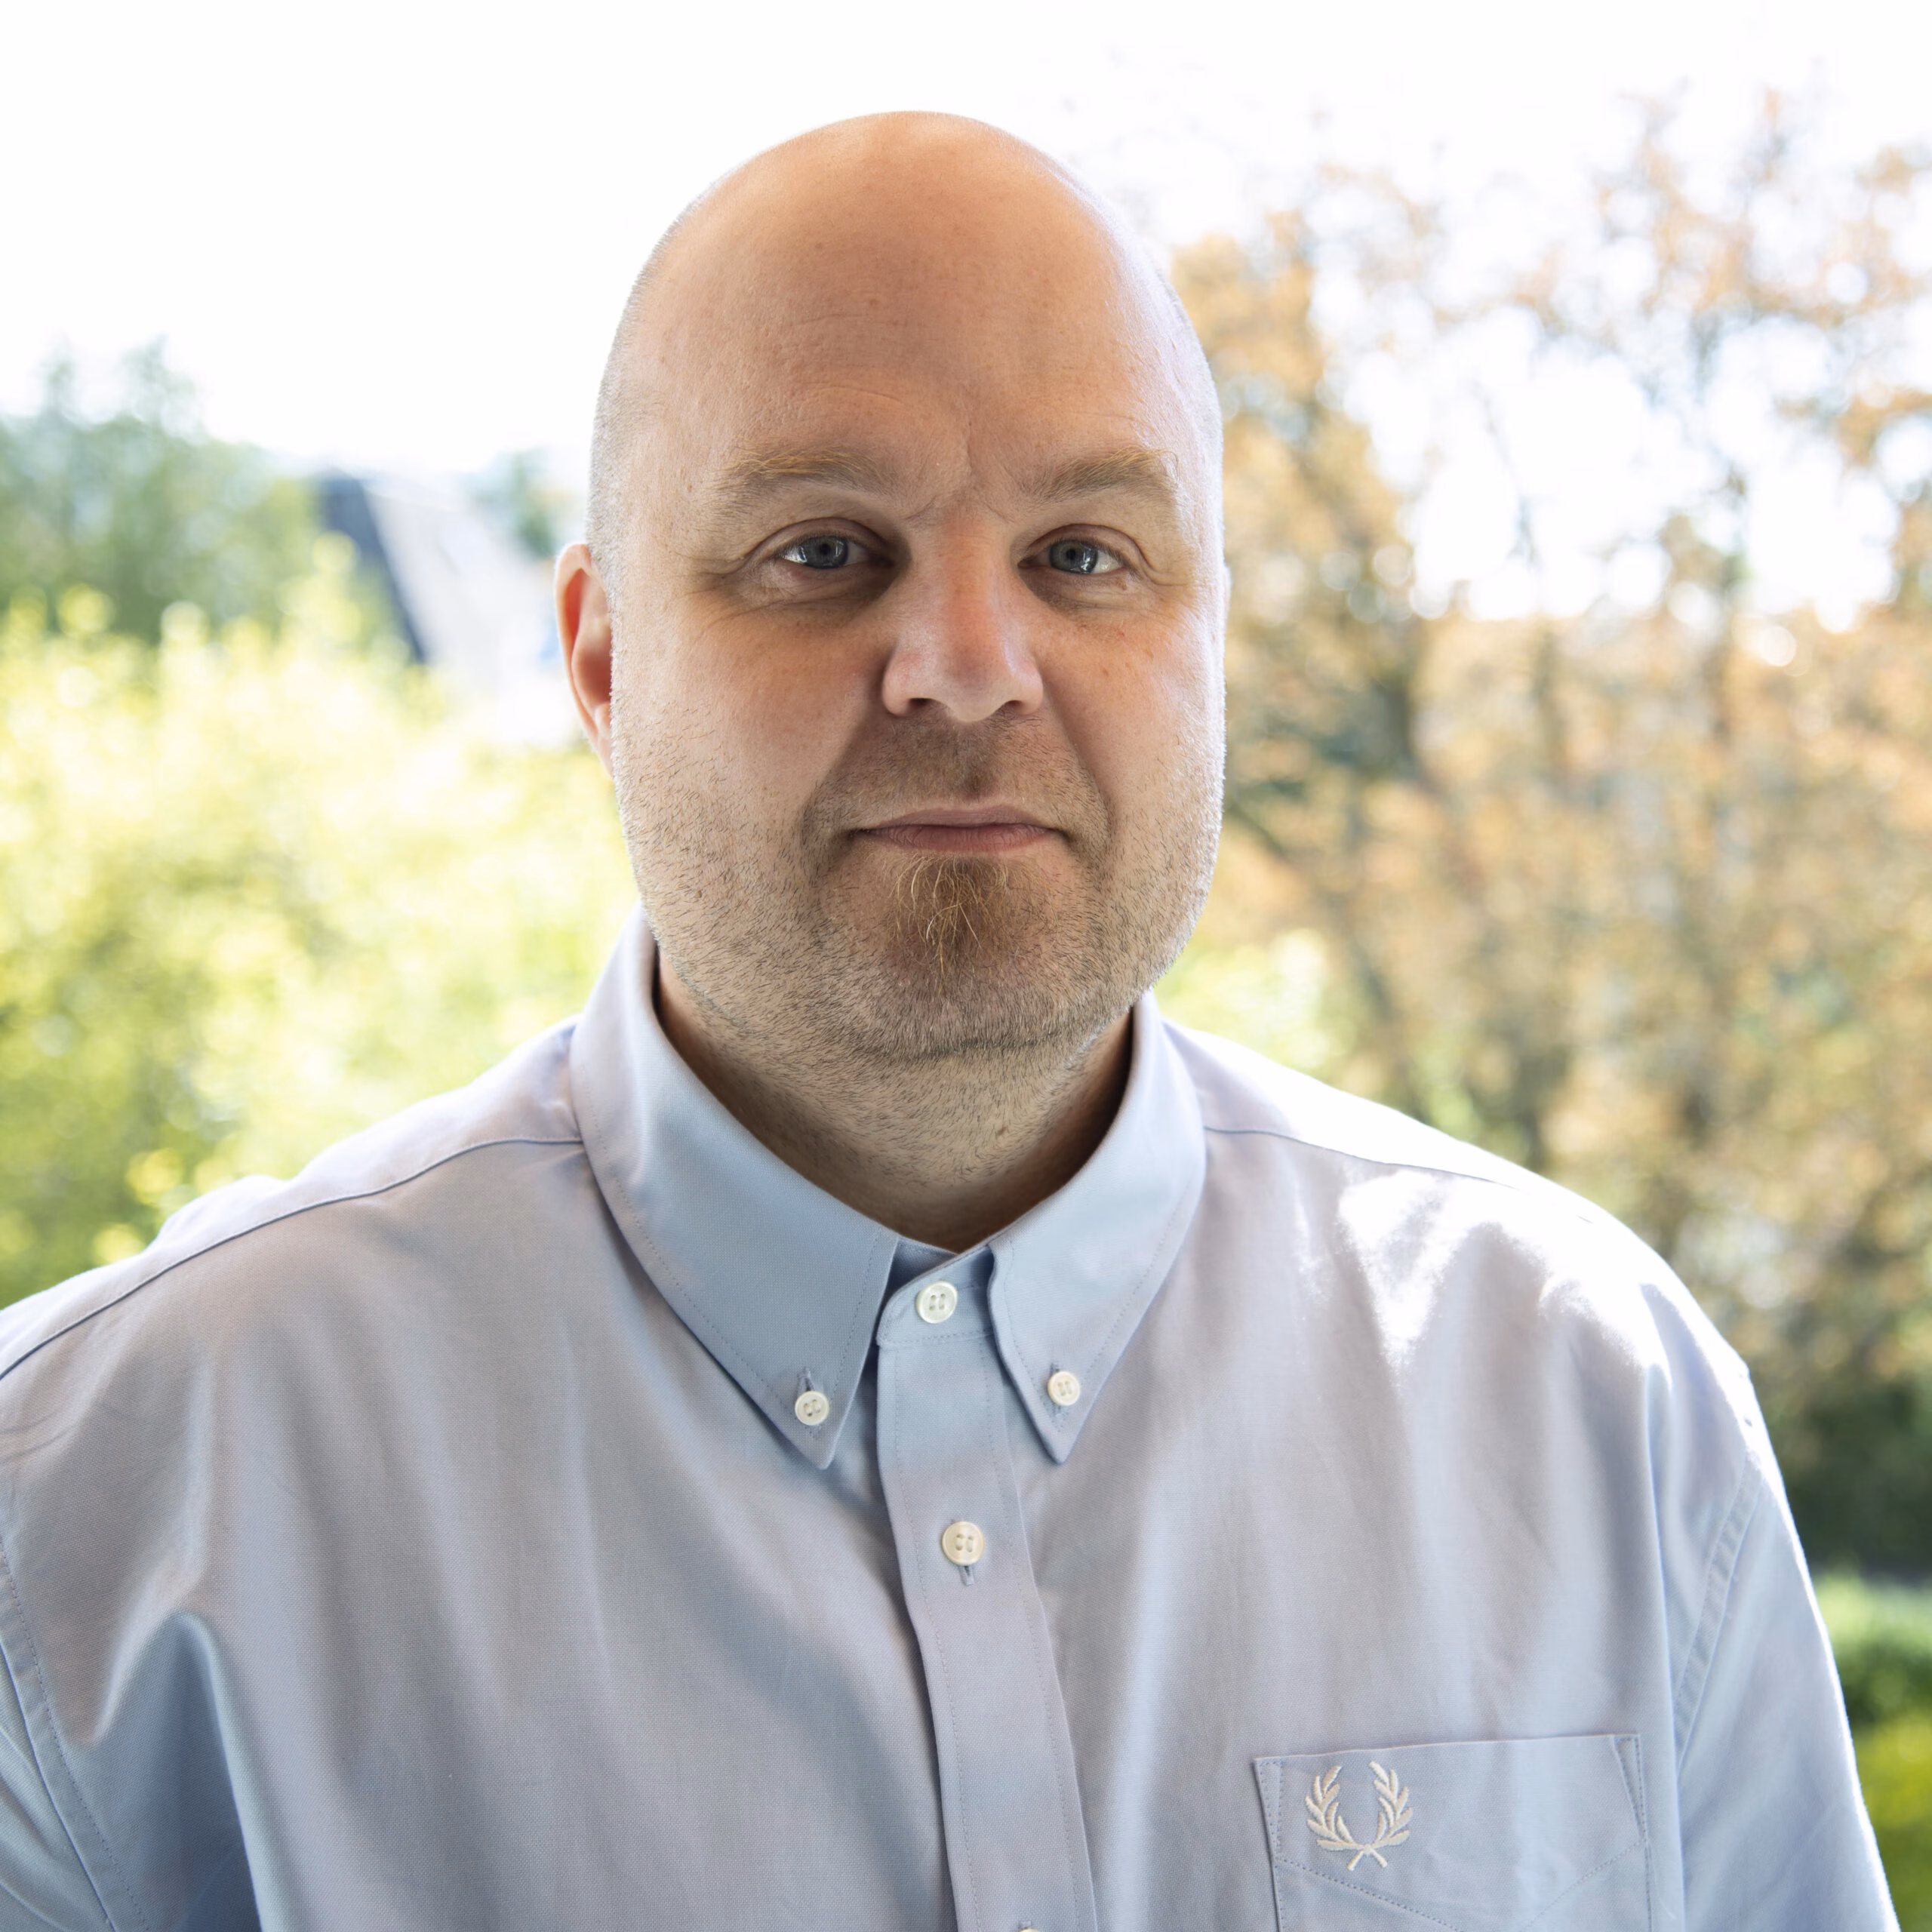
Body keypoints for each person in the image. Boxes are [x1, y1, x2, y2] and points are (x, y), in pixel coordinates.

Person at [0, 114, 1893, 1932]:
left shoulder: (1590, 1400)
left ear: (1206, 639)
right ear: (597, 660)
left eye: (1083, 552)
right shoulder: (92, 1516)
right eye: (823, 550)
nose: (970, 666)